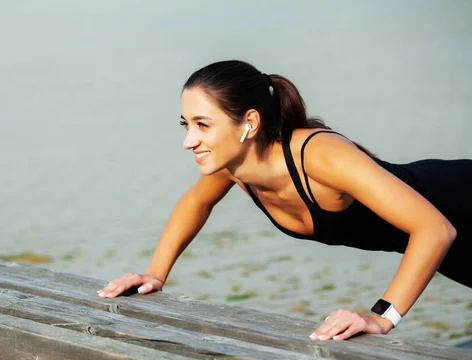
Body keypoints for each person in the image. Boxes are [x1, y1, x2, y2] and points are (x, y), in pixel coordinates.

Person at [97, 60, 472, 341]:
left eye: (203, 124)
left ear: (249, 123)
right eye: (186, 124)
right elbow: (196, 203)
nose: (188, 140)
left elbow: (434, 228)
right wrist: (155, 273)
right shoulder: (234, 166)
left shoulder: (319, 155)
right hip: (451, 247)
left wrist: (380, 317)